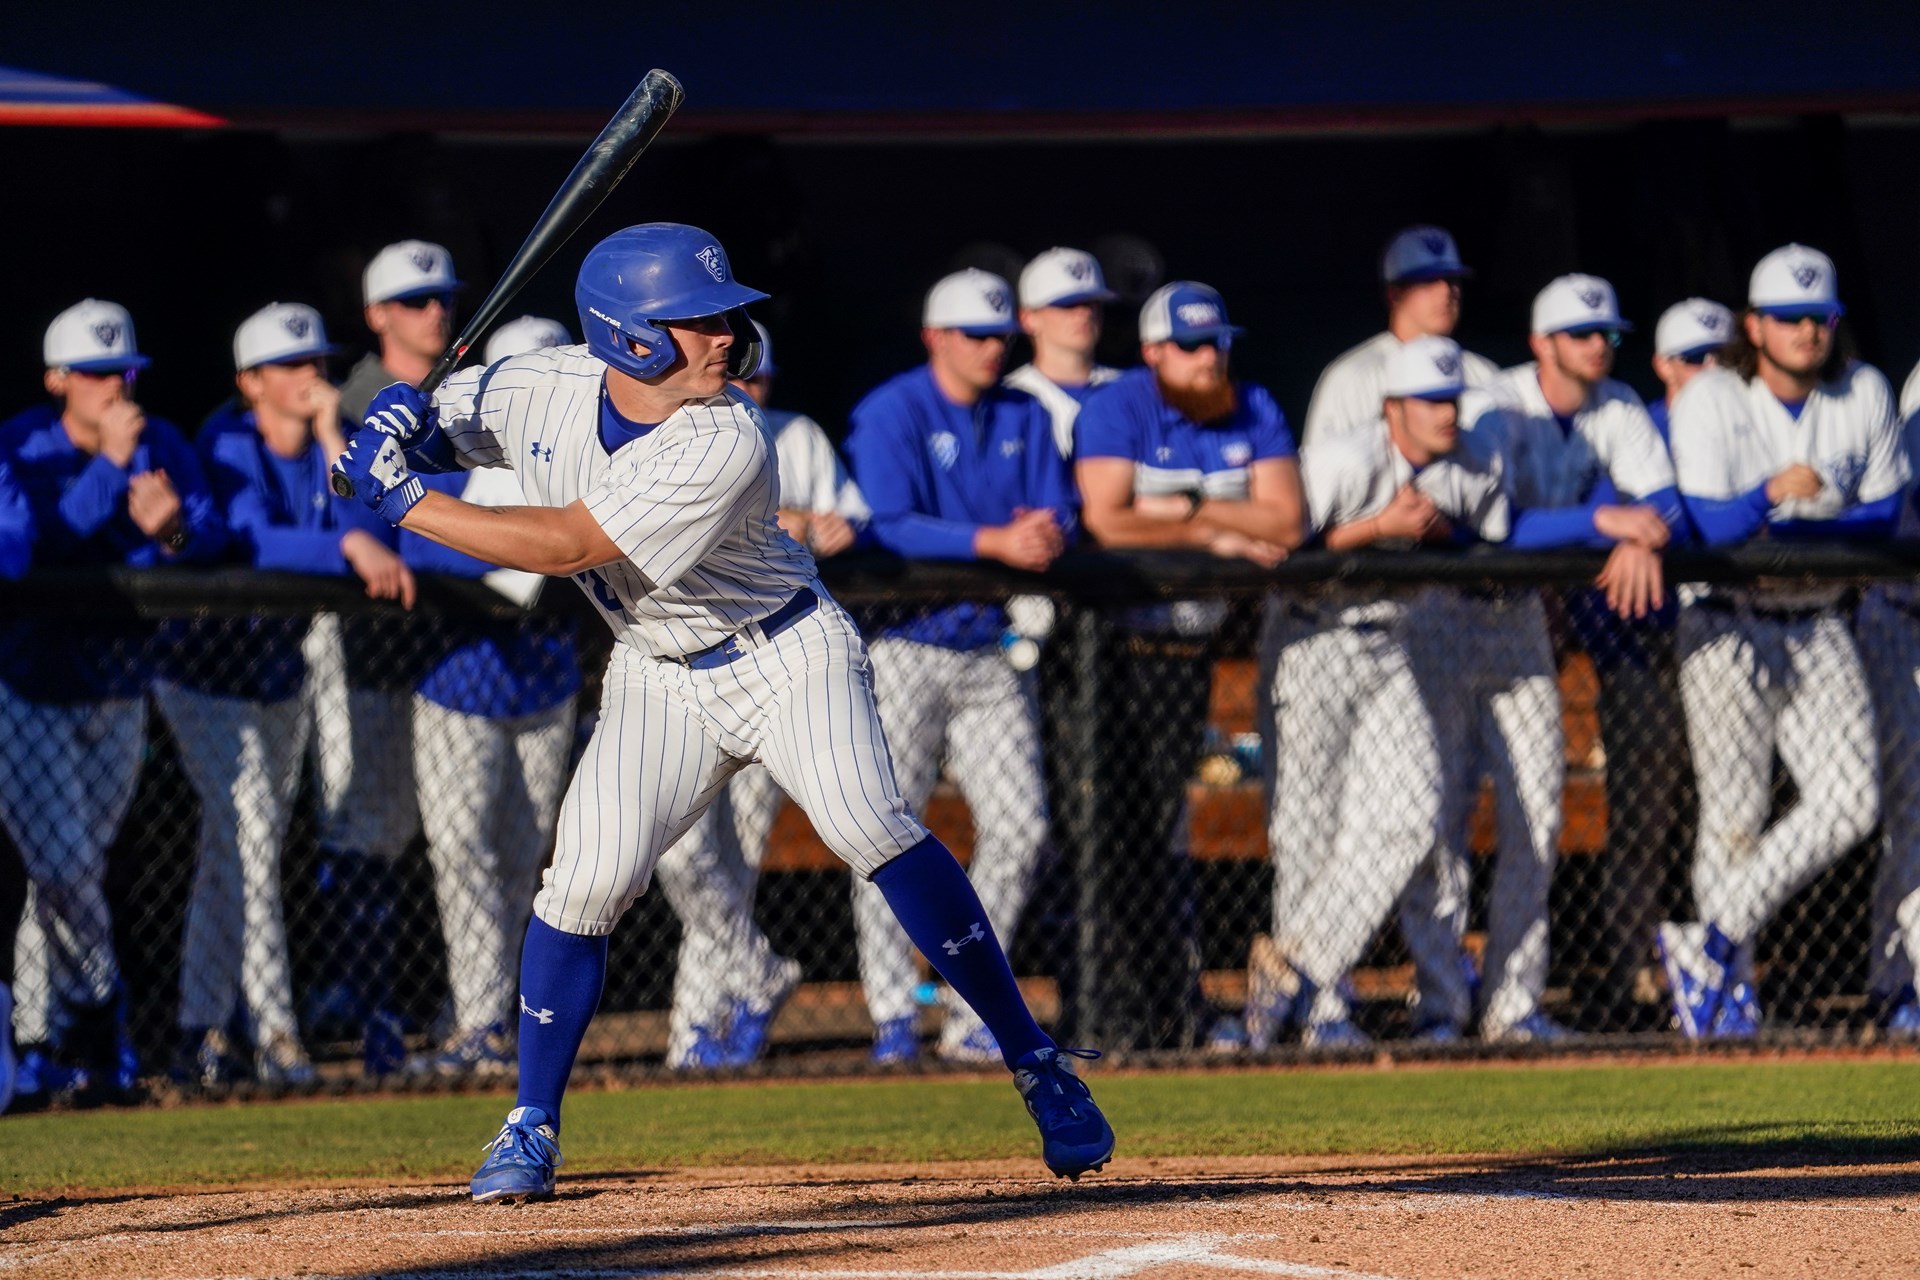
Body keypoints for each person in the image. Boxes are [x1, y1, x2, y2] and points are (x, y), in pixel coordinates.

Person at [330, 223, 1113, 1201]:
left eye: (726, 316)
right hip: (660, 669)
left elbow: (568, 542)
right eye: (699, 320)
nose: (730, 336)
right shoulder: (536, 383)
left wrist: (399, 494)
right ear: (631, 337)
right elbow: (423, 416)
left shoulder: (724, 434)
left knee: (871, 822)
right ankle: (530, 1120)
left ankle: (1036, 1061)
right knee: (581, 881)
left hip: (786, 650)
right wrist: (393, 415)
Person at [1413, 274, 1683, 1044]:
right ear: (1542, 343)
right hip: (1448, 614)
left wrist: (1636, 531)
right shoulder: (1498, 401)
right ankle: (1439, 1003)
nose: (1598, 345)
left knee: (1540, 810)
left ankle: (1513, 1003)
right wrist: (1605, 519)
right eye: (1580, 334)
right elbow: (1492, 526)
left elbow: (1664, 505)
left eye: (1606, 334)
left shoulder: (1620, 405)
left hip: (1523, 619)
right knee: (1442, 815)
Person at [154, 302, 409, 1088]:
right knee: (252, 847)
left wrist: (338, 440)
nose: (313, 375)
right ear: (250, 382)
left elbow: (384, 530)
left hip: (279, 678)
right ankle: (275, 1034)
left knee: (229, 857)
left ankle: (202, 1030)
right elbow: (245, 535)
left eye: (318, 362)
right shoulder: (226, 440)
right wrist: (343, 544)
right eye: (293, 365)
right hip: (203, 677)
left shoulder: (325, 442)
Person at [1665, 244, 1904, 1039]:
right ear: (1754, 326)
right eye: (1790, 318)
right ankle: (1728, 993)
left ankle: (1713, 939)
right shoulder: (1711, 398)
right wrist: (1772, 494)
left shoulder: (1862, 389)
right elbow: (1708, 525)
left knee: (1853, 801)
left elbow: (1884, 516)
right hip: (1729, 622)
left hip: (1818, 618)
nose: (1807, 331)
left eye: (1820, 317)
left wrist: (1802, 522)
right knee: (1733, 815)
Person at [842, 269, 1072, 1064]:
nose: (990, 346)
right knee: (884, 833)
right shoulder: (893, 408)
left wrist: (1045, 533)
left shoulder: (1024, 411)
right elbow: (887, 522)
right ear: (935, 335)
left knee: (1021, 827)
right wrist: (992, 541)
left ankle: (976, 1011)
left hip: (990, 648)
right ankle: (892, 1014)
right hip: (902, 645)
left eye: (1000, 334)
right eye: (974, 333)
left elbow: (1057, 508)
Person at [1, 299, 225, 1106]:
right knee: (61, 870)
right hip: (32, 690)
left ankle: (44, 1046)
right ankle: (97, 1025)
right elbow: (32, 548)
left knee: (69, 874)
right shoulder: (25, 441)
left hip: (120, 686)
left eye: (123, 372)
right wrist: (109, 469)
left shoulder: (159, 442)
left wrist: (172, 533)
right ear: (58, 378)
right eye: (94, 374)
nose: (113, 387)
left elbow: (212, 535)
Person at [1257, 337, 1510, 1047]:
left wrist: (1437, 533)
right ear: (1391, 407)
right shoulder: (1343, 457)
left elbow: (1490, 543)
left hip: (1390, 641)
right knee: (1306, 830)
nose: (1445, 413)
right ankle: (1321, 1012)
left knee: (1411, 813)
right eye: (1429, 401)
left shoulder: (1468, 460)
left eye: (1451, 399)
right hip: (1313, 636)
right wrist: (1378, 531)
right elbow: (1278, 552)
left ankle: (1295, 972)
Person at [1073, 280, 1306, 1050]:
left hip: (1194, 651)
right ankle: (1114, 1013)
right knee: (1114, 837)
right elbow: (1107, 520)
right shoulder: (1119, 406)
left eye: (1218, 343)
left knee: (1166, 835)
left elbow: (1286, 517)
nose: (1211, 358)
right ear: (1152, 352)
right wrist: (1214, 531)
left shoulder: (1253, 404)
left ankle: (1171, 1008)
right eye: (1192, 345)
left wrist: (1181, 510)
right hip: (1114, 659)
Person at [653, 320, 867, 1069]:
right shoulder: (671, 437)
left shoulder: (794, 434)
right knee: (680, 858)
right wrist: (795, 524)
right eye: (739, 374)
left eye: (760, 378)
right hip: (685, 673)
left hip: (775, 664)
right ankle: (754, 974)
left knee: (736, 864)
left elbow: (849, 523)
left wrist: (810, 524)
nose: (749, 390)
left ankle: (695, 1037)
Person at [401, 316, 581, 1079]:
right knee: (463, 856)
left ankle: (489, 1011)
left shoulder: (582, 463)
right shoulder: (454, 459)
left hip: (545, 684)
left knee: (521, 862)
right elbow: (403, 540)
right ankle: (476, 1016)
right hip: (456, 689)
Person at [303, 240, 447, 1071]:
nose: (435, 311)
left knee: (406, 830)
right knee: (359, 821)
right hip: (356, 643)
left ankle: (386, 999)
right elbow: (349, 502)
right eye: (416, 300)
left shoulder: (452, 394)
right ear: (379, 314)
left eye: (441, 298)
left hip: (425, 648)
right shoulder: (359, 396)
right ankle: (356, 996)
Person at [1300, 225, 1501, 444]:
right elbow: (1320, 471)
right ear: (1394, 294)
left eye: (1452, 280)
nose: (1446, 292)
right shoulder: (1351, 377)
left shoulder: (1485, 373)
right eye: (1429, 280)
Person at [1004, 247, 1124, 460]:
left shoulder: (1131, 390)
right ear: (1027, 318)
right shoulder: (1007, 399)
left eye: (1091, 303)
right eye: (1068, 304)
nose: (1084, 313)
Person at [1649, 299, 1734, 437]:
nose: (1714, 367)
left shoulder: (1756, 419)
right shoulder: (1643, 431)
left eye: (1724, 356)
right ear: (1664, 366)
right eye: (1698, 357)